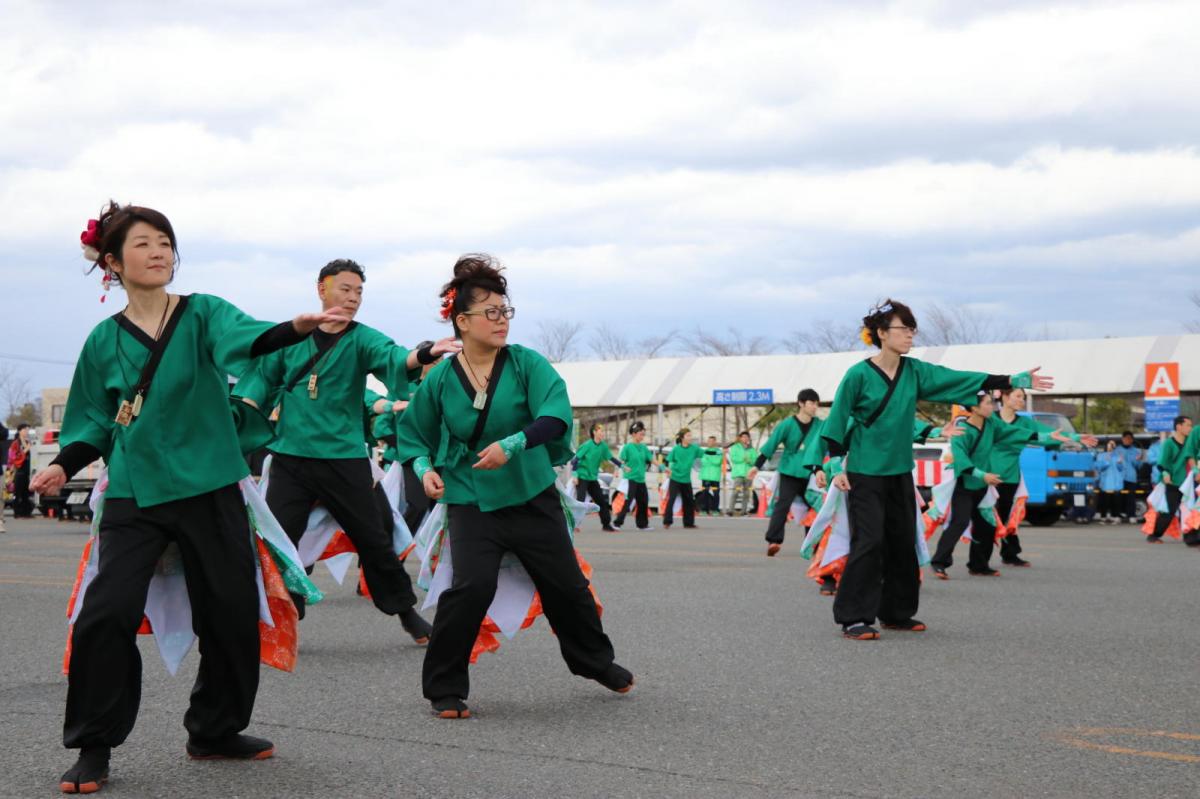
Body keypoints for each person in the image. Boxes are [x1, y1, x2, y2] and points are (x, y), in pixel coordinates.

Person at [31, 201, 349, 794]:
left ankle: (215, 730)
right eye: (144, 243)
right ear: (112, 261)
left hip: (210, 484)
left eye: (165, 242)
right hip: (136, 490)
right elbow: (94, 420)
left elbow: (247, 337)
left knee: (230, 611)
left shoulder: (203, 312)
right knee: (106, 613)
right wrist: (62, 465)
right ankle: (94, 745)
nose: (159, 252)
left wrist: (296, 328)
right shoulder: (103, 340)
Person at [395, 254, 632, 719]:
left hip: (530, 492)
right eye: (490, 312)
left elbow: (555, 416)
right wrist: (424, 469)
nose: (502, 319)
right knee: (470, 587)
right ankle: (444, 687)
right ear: (462, 321)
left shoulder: (526, 363)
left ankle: (592, 661)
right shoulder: (440, 378)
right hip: (471, 498)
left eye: (505, 310)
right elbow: (414, 435)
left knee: (566, 585)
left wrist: (515, 443)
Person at [235, 259, 457, 642]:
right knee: (278, 542)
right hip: (291, 458)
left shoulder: (362, 339)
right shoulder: (292, 336)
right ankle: (284, 613)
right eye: (345, 289)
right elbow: (260, 380)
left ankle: (406, 612)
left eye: (359, 292)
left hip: (344, 459)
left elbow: (393, 357)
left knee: (374, 540)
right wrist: (240, 412)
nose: (353, 297)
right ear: (322, 288)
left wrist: (422, 354)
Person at [823, 299, 1053, 640]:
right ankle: (853, 616)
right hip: (864, 472)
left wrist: (1007, 379)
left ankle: (896, 613)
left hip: (899, 471)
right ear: (882, 333)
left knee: (903, 542)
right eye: (903, 328)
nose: (910, 335)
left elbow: (955, 379)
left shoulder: (914, 371)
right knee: (869, 541)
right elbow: (838, 417)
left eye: (912, 329)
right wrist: (834, 463)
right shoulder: (858, 374)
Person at [930, 391, 1078, 578]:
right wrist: (983, 475)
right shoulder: (961, 430)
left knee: (987, 525)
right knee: (960, 522)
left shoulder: (991, 424)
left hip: (984, 487)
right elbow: (961, 459)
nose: (992, 406)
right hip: (965, 486)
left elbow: (1014, 433)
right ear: (974, 408)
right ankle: (939, 563)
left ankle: (978, 565)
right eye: (988, 403)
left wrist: (1046, 436)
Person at [991, 387, 1097, 563]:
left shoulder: (1025, 423)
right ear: (1004, 397)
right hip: (986, 475)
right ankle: (977, 560)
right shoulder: (990, 419)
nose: (1022, 400)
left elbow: (1050, 434)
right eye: (1018, 396)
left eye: (1023, 397)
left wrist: (1076, 438)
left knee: (1008, 515)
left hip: (1010, 475)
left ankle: (1009, 554)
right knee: (984, 517)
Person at [755, 389, 828, 557]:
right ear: (801, 403)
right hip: (789, 471)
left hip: (811, 473)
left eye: (817, 404)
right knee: (782, 505)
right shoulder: (787, 424)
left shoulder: (820, 425)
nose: (815, 407)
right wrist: (757, 465)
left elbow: (828, 442)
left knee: (815, 507)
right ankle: (774, 541)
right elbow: (772, 443)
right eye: (812, 403)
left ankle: (812, 543)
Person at [1144, 415, 1193, 543]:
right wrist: (1165, 474)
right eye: (1188, 425)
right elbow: (1162, 463)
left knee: (1190, 510)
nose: (1190, 428)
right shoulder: (1169, 444)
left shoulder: (1190, 443)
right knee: (1169, 511)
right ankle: (1154, 535)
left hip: (1188, 483)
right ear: (1179, 426)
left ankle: (1191, 538)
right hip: (1173, 482)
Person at [572, 423, 619, 531]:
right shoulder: (587, 445)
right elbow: (575, 460)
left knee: (601, 501)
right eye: (600, 431)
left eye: (603, 431)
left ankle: (606, 524)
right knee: (580, 502)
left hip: (593, 478)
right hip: (582, 476)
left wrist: (622, 466)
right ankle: (574, 524)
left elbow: (610, 458)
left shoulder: (603, 446)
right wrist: (575, 475)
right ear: (594, 432)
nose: (602, 433)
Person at [613, 421, 653, 530]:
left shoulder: (643, 447)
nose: (642, 437)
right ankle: (617, 523)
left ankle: (642, 524)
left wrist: (663, 467)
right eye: (641, 434)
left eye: (643, 434)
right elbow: (621, 461)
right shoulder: (627, 447)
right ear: (634, 434)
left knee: (643, 501)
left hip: (641, 479)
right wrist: (617, 470)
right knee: (628, 501)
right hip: (630, 479)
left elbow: (651, 459)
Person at [663, 428, 701, 529]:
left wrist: (719, 452)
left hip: (686, 479)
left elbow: (706, 453)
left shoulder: (694, 448)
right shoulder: (676, 449)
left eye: (690, 435)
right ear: (682, 438)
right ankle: (667, 521)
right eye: (688, 435)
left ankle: (688, 523)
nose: (690, 437)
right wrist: (668, 470)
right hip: (675, 477)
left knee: (689, 501)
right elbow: (669, 460)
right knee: (671, 499)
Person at [1113, 431, 1143, 524]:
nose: (1128, 440)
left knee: (1131, 497)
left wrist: (1138, 460)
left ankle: (1131, 516)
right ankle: (1117, 515)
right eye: (1126, 438)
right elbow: (1114, 465)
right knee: (1118, 497)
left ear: (1132, 440)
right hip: (1119, 477)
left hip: (1131, 477)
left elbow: (1138, 466)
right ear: (1122, 439)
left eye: (1130, 438)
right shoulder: (1117, 450)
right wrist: (1118, 463)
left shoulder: (1136, 451)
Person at [727, 430, 758, 516]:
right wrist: (743, 459)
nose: (745, 438)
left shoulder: (752, 449)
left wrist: (749, 461)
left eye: (747, 437)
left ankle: (743, 511)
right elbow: (733, 458)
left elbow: (755, 461)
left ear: (749, 438)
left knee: (747, 493)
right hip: (738, 473)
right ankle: (730, 510)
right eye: (743, 437)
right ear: (740, 438)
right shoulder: (735, 447)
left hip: (748, 474)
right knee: (735, 492)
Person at [7, 423, 34, 518]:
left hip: (27, 472)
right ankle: (17, 513)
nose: (27, 432)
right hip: (19, 472)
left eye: (27, 430)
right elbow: (13, 458)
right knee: (17, 494)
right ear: (19, 431)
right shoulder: (15, 443)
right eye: (25, 430)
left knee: (26, 494)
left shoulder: (27, 442)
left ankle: (26, 513)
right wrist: (25, 450)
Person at [1095, 441, 1126, 524]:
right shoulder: (1101, 455)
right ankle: (1103, 517)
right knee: (1105, 500)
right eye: (1109, 444)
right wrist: (1106, 461)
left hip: (1116, 482)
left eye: (1113, 444)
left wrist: (1119, 463)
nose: (1111, 446)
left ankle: (1115, 516)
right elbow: (1099, 467)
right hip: (1105, 482)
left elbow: (1122, 469)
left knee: (1116, 500)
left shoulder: (1118, 456)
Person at [697, 436, 724, 516]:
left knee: (716, 494)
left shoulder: (718, 451)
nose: (709, 442)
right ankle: (704, 510)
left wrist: (708, 458)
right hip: (705, 476)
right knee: (704, 493)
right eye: (708, 441)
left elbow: (718, 462)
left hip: (715, 476)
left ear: (715, 442)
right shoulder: (704, 451)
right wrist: (711, 459)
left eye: (711, 441)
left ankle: (715, 510)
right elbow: (703, 461)